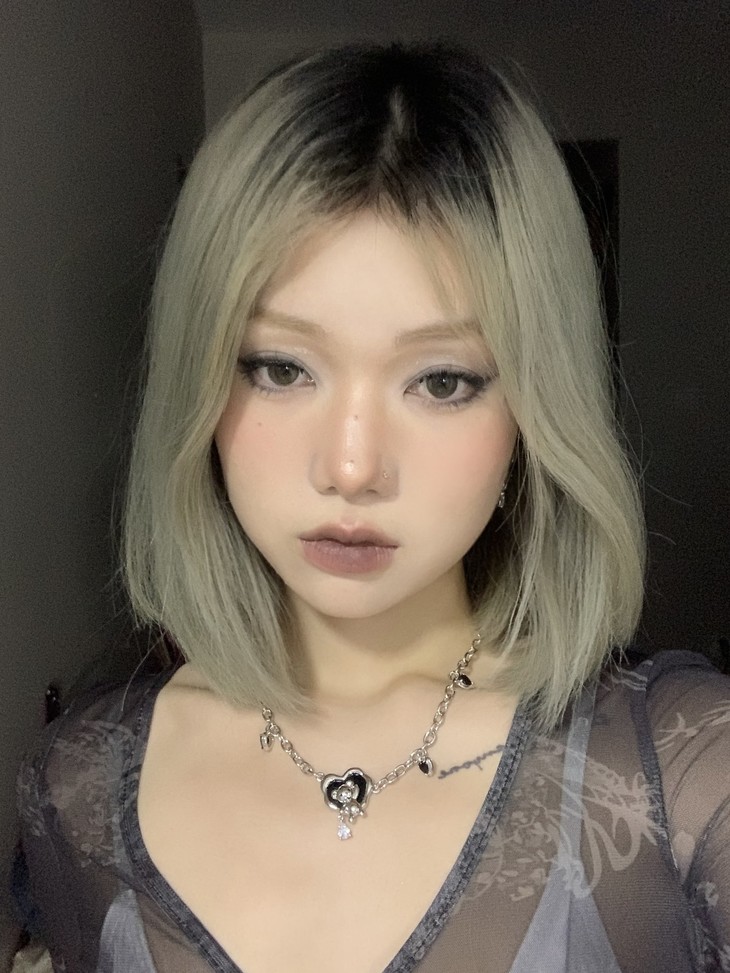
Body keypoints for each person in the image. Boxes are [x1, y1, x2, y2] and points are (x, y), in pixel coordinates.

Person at [13, 42, 730, 973]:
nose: (351, 467)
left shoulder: (684, 777)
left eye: (441, 380)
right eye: (280, 368)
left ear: (533, 410)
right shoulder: (79, 788)